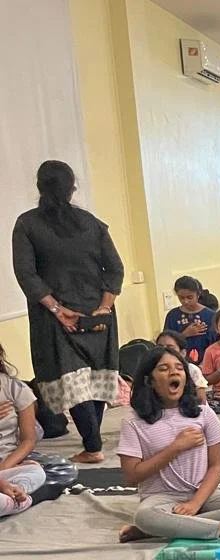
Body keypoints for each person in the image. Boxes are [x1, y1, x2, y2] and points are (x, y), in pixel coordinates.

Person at [12, 162, 122, 464]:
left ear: (39, 187)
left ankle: (93, 444)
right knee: (94, 376)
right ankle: (93, 441)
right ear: (72, 187)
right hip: (98, 310)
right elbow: (115, 269)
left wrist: (58, 309)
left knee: (73, 379)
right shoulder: (91, 222)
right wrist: (103, 307)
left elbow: (27, 275)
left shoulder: (27, 224)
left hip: (56, 315)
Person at [116, 346, 220, 544]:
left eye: (179, 368)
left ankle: (157, 531)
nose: (174, 372)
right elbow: (132, 476)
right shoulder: (134, 422)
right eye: (164, 369)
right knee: (145, 516)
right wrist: (176, 447)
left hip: (201, 494)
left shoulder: (204, 413)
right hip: (160, 498)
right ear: (150, 380)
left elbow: (217, 465)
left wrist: (195, 503)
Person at [0, 341, 54, 517]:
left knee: (36, 471)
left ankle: (12, 495)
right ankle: (12, 499)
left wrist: (4, 468)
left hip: (5, 464)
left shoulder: (14, 388)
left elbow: (28, 440)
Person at [155, 330, 208, 404]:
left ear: (183, 353)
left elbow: (202, 401)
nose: (164, 351)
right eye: (160, 347)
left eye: (170, 348)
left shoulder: (192, 370)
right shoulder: (153, 370)